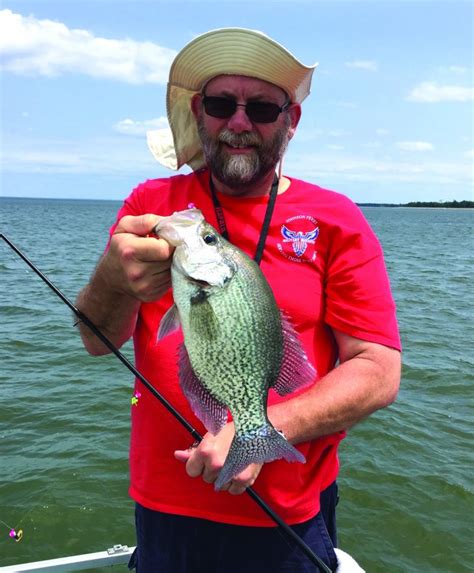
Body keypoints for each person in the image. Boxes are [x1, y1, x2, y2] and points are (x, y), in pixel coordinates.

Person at [75, 28, 401, 573]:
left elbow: (378, 369)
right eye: (222, 104)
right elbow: (95, 341)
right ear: (200, 113)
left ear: (291, 120)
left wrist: (264, 429)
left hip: (287, 516)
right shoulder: (151, 205)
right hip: (164, 507)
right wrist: (112, 274)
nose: (240, 124)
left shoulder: (338, 218)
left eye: (264, 108)